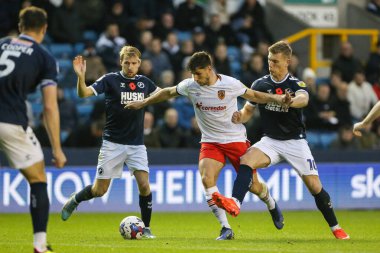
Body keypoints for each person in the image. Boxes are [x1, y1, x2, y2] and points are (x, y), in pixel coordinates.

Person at [125, 51, 290, 240]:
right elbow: (168, 92)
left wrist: (278, 99)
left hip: (235, 139)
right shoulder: (191, 86)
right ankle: (226, 228)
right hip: (211, 142)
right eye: (193, 74)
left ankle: (270, 203)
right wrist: (143, 102)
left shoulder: (230, 84)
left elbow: (254, 95)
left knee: (254, 187)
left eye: (199, 74)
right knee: (206, 179)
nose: (196, 78)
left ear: (209, 69)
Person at [211, 41, 350, 240]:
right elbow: (249, 110)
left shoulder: (295, 84)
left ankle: (336, 227)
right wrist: (240, 116)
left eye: (275, 61)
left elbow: (304, 99)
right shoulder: (260, 84)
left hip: (295, 142)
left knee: (314, 186)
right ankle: (235, 202)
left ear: (288, 62)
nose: (271, 65)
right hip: (271, 141)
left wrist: (290, 101)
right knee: (246, 160)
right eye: (269, 61)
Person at [61, 46, 157, 238]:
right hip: (113, 144)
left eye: (134, 63)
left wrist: (185, 89)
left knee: (145, 185)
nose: (130, 67)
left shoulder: (145, 83)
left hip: (136, 144)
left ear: (139, 63)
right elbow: (84, 94)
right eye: (127, 63)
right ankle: (76, 199)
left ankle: (146, 228)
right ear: (121, 62)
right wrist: (81, 77)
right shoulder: (110, 79)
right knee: (99, 190)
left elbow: (164, 94)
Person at [0, 6, 67, 253]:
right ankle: (40, 245)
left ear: (20, 26)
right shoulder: (44, 57)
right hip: (9, 121)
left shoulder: (1, 44)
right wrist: (57, 149)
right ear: (44, 28)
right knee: (38, 179)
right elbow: (49, 107)